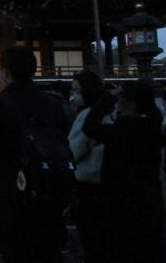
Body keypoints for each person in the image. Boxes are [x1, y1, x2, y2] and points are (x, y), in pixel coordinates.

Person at [0, 45, 68, 263]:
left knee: (15, 246)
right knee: (48, 246)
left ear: (6, 72)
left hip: (10, 185)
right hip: (49, 184)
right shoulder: (53, 103)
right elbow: (63, 141)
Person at [82, 80, 165, 263]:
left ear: (131, 103)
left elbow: (89, 127)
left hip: (120, 198)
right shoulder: (154, 126)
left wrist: (107, 98)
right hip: (148, 197)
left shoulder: (123, 129)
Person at [67, 70, 109, 263]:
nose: (73, 94)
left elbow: (73, 150)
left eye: (76, 90)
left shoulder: (88, 115)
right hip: (109, 179)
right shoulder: (109, 110)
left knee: (91, 237)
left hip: (89, 180)